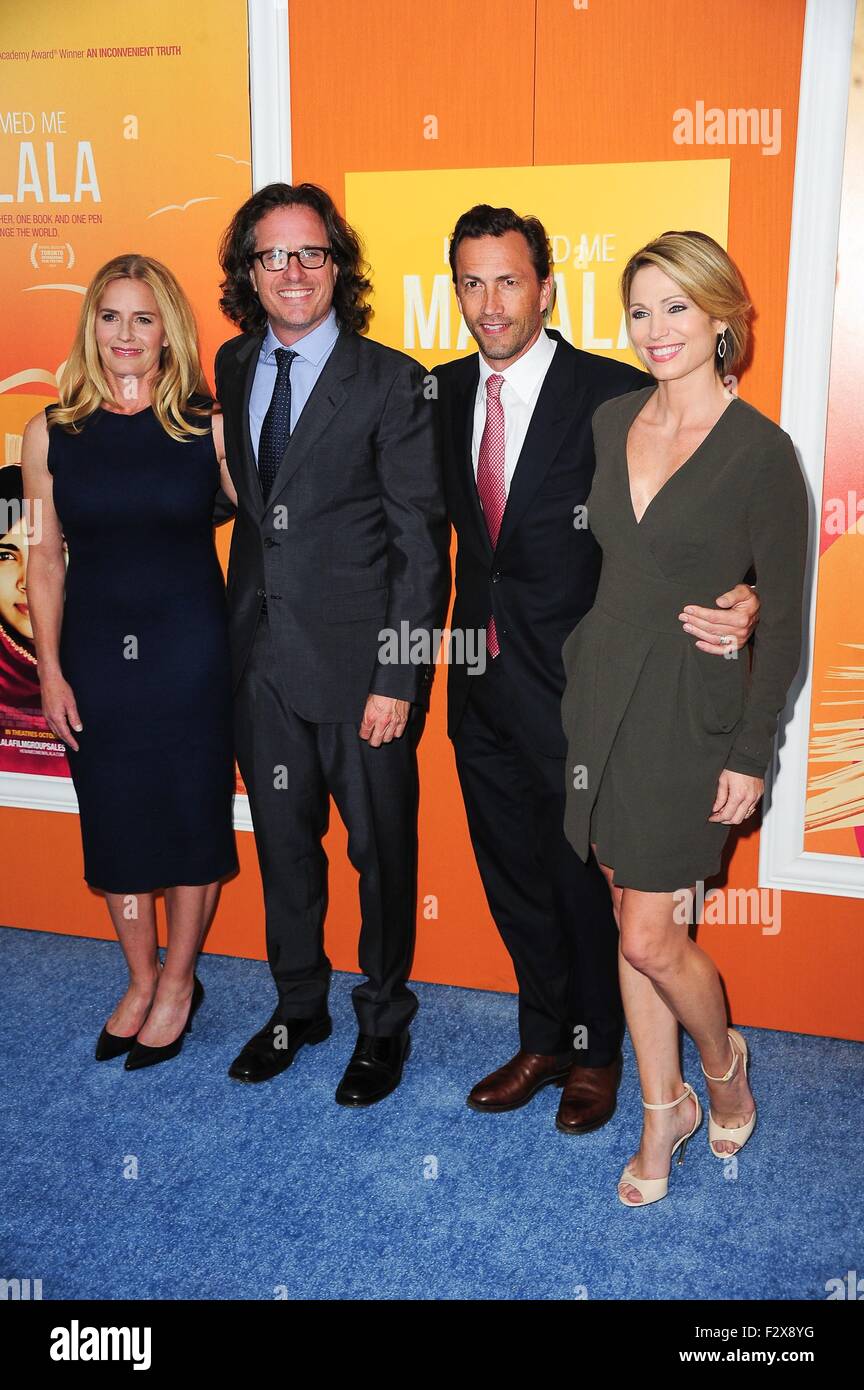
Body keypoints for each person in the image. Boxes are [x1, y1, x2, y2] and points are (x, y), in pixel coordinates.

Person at [433, 206, 761, 1133]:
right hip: (479, 684)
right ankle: (543, 1035)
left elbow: (700, 527)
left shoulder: (617, 392)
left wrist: (749, 598)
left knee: (587, 883)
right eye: (471, 282)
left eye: (509, 280)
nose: (491, 303)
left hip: (590, 691)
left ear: (547, 287)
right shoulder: (444, 391)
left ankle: (599, 1051)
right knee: (512, 873)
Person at [561, 230, 809, 1204]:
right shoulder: (611, 417)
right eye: (640, 309)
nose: (656, 329)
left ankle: (722, 1061)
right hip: (604, 697)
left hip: (691, 716)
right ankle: (660, 1110)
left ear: (720, 319)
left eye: (676, 307)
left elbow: (782, 621)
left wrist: (753, 752)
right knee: (633, 916)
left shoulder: (760, 453)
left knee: (650, 940)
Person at [215, 182, 449, 1106]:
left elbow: (420, 548)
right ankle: (297, 1005)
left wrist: (398, 675)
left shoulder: (392, 380)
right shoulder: (235, 365)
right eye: (272, 255)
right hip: (261, 663)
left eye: (311, 252)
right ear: (249, 272)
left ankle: (383, 1022)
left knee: (381, 855)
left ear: (339, 265)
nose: (293, 271)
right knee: (283, 847)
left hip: (363, 675)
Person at [21, 254, 239, 1071]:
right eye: (111, 317)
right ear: (91, 328)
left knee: (190, 821)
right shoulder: (51, 432)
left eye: (143, 318)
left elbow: (272, 527)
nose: (125, 334)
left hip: (191, 654)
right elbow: (42, 562)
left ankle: (180, 982)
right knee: (115, 823)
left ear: (168, 332)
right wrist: (48, 669)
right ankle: (139, 977)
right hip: (95, 661)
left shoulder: (206, 428)